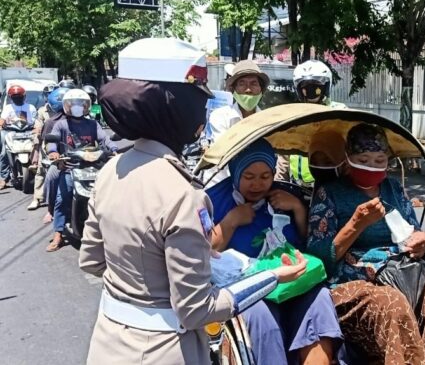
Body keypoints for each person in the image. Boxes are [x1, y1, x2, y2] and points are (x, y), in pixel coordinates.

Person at [78, 37, 307, 365]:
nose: (203, 112)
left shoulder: (112, 169)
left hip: (108, 343)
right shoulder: (183, 194)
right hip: (164, 351)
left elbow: (92, 261)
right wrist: (271, 278)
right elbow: (198, 309)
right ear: (175, 108)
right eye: (197, 101)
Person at [307, 123, 425, 365]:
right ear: (348, 158)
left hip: (402, 273)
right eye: (363, 159)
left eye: (379, 160)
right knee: (391, 304)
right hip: (352, 284)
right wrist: (356, 224)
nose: (371, 166)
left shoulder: (394, 189)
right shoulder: (330, 193)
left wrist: (420, 243)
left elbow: (413, 232)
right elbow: (318, 258)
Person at [206, 138, 343, 364]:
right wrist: (231, 221)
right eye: (248, 177)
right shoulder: (213, 200)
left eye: (265, 176)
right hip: (245, 287)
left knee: (319, 300)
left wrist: (298, 209)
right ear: (235, 173)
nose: (258, 184)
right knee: (261, 317)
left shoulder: (286, 195)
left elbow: (310, 241)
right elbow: (204, 251)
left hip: (292, 282)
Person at [45, 89, 118, 252]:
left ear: (86, 106)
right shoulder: (61, 124)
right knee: (62, 197)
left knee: (108, 193)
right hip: (70, 166)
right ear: (67, 106)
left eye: (81, 104)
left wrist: (114, 149)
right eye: (74, 104)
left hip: (94, 166)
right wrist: (53, 152)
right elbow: (52, 141)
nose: (77, 107)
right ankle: (58, 234)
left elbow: (104, 139)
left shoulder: (93, 124)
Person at [280, 60, 347, 184]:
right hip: (297, 185)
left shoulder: (339, 113)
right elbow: (285, 152)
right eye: (305, 85)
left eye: (316, 84)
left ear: (326, 86)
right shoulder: (294, 116)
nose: (310, 89)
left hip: (333, 182)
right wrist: (280, 183)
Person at [204, 60, 270, 186]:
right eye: (242, 83)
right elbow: (225, 153)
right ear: (233, 89)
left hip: (255, 188)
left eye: (254, 83)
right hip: (222, 184)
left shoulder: (267, 120)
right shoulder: (220, 116)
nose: (249, 89)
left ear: (261, 89)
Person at [39, 88, 70, 222]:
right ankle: (51, 209)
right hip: (60, 160)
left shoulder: (86, 120)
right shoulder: (51, 122)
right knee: (52, 177)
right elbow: (47, 142)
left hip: (84, 159)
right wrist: (54, 153)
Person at [27, 83, 59, 210]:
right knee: (40, 171)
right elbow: (37, 127)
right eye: (48, 94)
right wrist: (37, 141)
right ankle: (37, 198)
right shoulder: (41, 111)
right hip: (45, 143)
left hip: (62, 143)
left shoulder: (63, 109)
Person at [0, 85, 38, 189]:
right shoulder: (8, 108)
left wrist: (37, 128)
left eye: (19, 96)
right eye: (15, 96)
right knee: (4, 152)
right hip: (11, 132)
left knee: (37, 147)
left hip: (28, 131)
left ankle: (38, 170)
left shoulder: (30, 107)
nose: (17, 98)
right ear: (11, 97)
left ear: (24, 96)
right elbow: (2, 120)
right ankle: (3, 178)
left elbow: (36, 121)